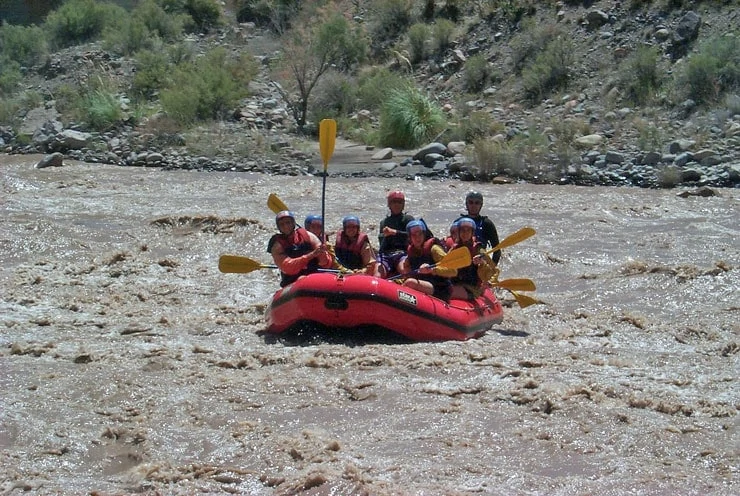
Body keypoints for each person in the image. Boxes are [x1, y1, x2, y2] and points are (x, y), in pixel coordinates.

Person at [267, 210, 333, 287]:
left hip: (314, 277)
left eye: (288, 222)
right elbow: (288, 268)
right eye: (282, 224)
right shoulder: (277, 245)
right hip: (291, 281)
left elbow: (326, 263)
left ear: (293, 223)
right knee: (302, 279)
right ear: (279, 227)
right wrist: (311, 255)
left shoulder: (308, 236)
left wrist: (322, 254)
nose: (285, 226)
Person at [398, 220, 455, 301]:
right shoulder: (411, 252)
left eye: (420, 234)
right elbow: (408, 272)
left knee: (410, 283)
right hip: (424, 284)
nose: (418, 238)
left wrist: (432, 270)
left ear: (424, 234)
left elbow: (452, 271)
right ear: (410, 238)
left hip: (440, 288)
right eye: (414, 235)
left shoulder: (434, 249)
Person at [449, 217, 497, 300]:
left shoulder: (479, 250)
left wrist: (482, 263)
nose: (465, 233)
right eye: (463, 230)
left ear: (472, 233)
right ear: (459, 232)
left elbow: (492, 271)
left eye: (468, 231)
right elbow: (446, 266)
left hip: (472, 288)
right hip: (456, 283)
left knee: (445, 292)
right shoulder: (454, 248)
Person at [455, 191, 501, 264]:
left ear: (481, 205)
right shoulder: (458, 222)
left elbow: (497, 249)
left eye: (477, 203)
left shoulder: (487, 224)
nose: (473, 205)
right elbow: (451, 243)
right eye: (471, 202)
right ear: (467, 204)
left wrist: (493, 267)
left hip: (480, 261)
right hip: (461, 260)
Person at [377, 190, 414, 278]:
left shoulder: (408, 219)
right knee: (377, 275)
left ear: (403, 205)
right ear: (389, 204)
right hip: (387, 255)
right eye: (394, 202)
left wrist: (395, 232)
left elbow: (414, 236)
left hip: (403, 253)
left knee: (403, 270)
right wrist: (384, 236)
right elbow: (382, 243)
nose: (397, 205)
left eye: (399, 202)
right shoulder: (384, 222)